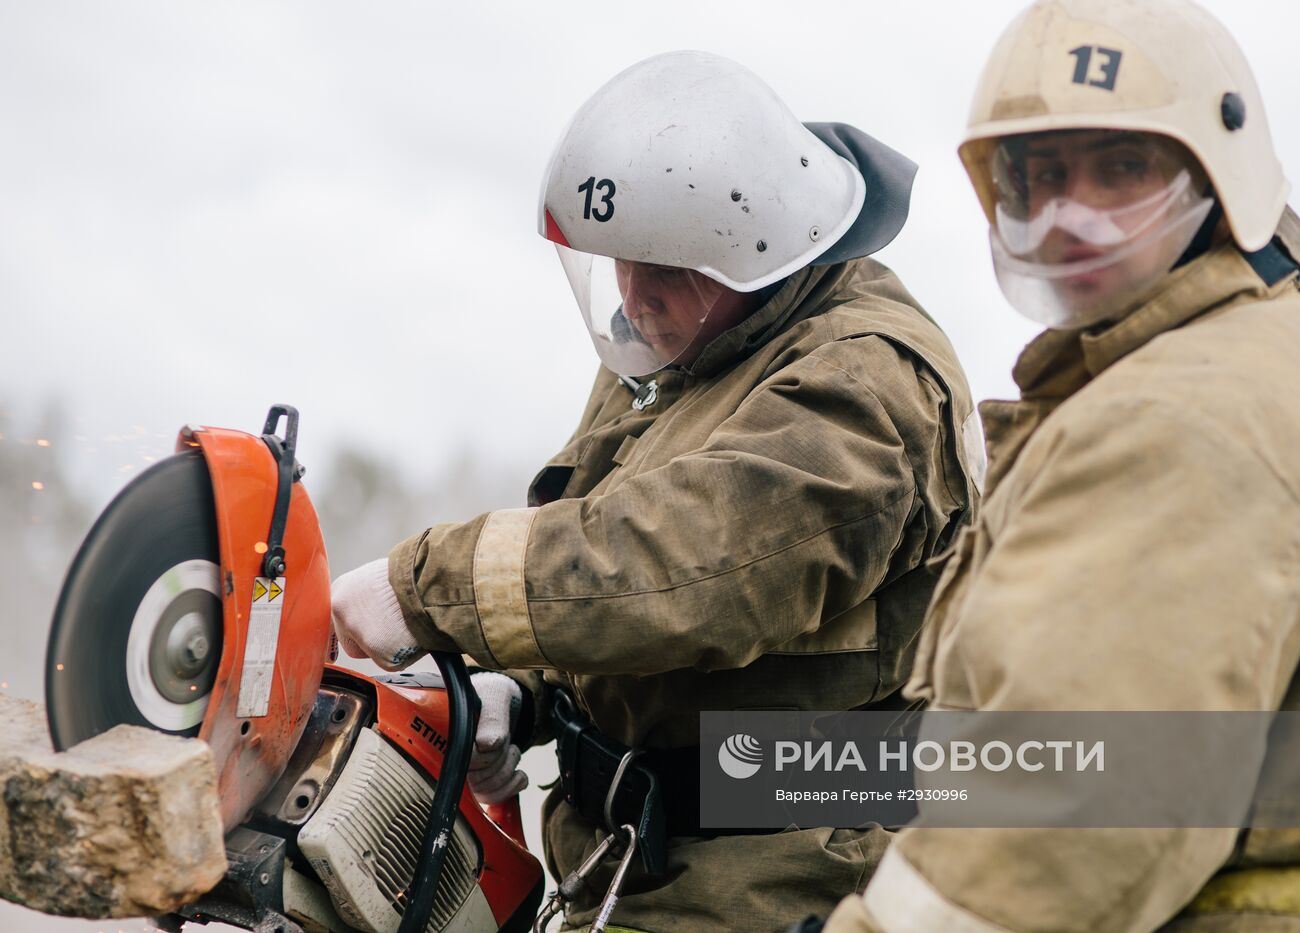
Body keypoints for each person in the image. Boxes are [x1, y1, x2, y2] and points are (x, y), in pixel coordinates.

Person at [331, 51, 982, 931]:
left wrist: (423, 588)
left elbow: (679, 565)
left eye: (663, 265)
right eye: (619, 263)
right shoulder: (685, 348)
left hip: (778, 884)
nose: (633, 298)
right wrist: (523, 692)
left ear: (759, 249)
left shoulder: (864, 386)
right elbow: (587, 543)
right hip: (633, 868)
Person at [821, 1, 1300, 931]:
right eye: (1036, 175)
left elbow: (1066, 809)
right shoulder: (1267, 355)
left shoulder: (1183, 416)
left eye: (1122, 167)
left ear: (1221, 172)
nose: (1068, 217)